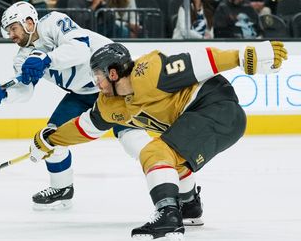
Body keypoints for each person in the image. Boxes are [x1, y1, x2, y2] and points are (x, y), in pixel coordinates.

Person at [29, 40, 288, 239]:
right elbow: (86, 126)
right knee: (172, 160)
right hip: (206, 118)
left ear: (114, 72)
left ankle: (167, 215)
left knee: (154, 152)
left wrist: (241, 56)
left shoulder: (149, 71)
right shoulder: (110, 104)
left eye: (97, 73)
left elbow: (201, 61)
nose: (95, 80)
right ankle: (188, 207)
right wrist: (52, 140)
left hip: (216, 107)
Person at [0, 1, 151, 211]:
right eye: (8, 31)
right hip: (80, 96)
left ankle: (170, 178)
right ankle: (61, 188)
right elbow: (25, 90)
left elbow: (79, 50)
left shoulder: (53, 22)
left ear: (29, 23)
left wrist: (46, 59)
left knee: (132, 140)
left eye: (13, 29)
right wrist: (3, 94)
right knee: (50, 138)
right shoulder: (22, 57)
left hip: (114, 88)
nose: (11, 36)